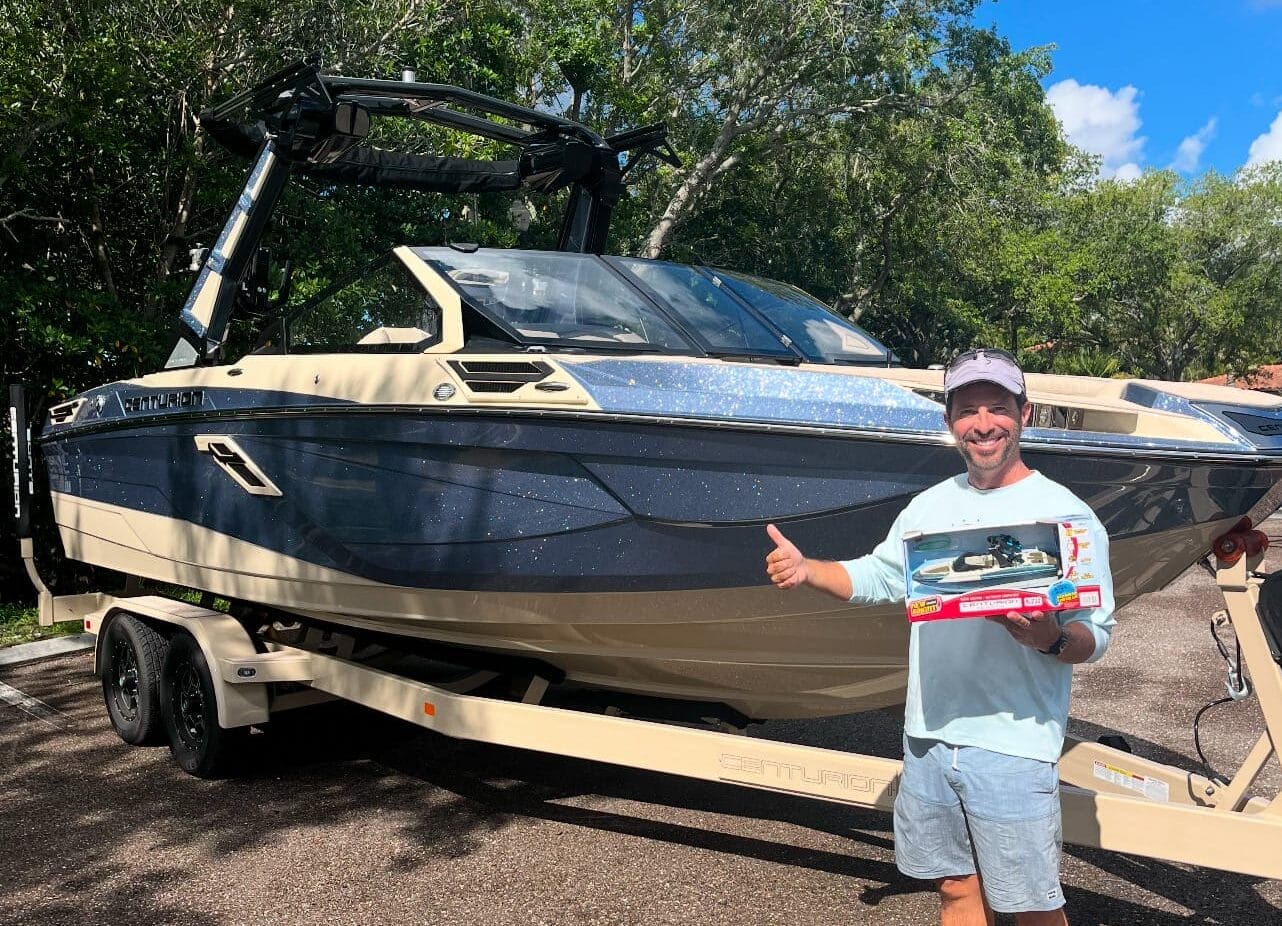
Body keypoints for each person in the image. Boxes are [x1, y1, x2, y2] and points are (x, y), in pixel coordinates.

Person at [765, 348, 1114, 926]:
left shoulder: (1067, 516)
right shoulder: (929, 506)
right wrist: (808, 571)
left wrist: (1050, 639)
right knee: (955, 894)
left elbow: (1095, 634)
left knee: (1031, 910)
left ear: (1023, 414)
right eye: (967, 409)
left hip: (1013, 745)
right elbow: (881, 576)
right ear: (950, 420)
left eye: (997, 407)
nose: (983, 423)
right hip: (928, 736)